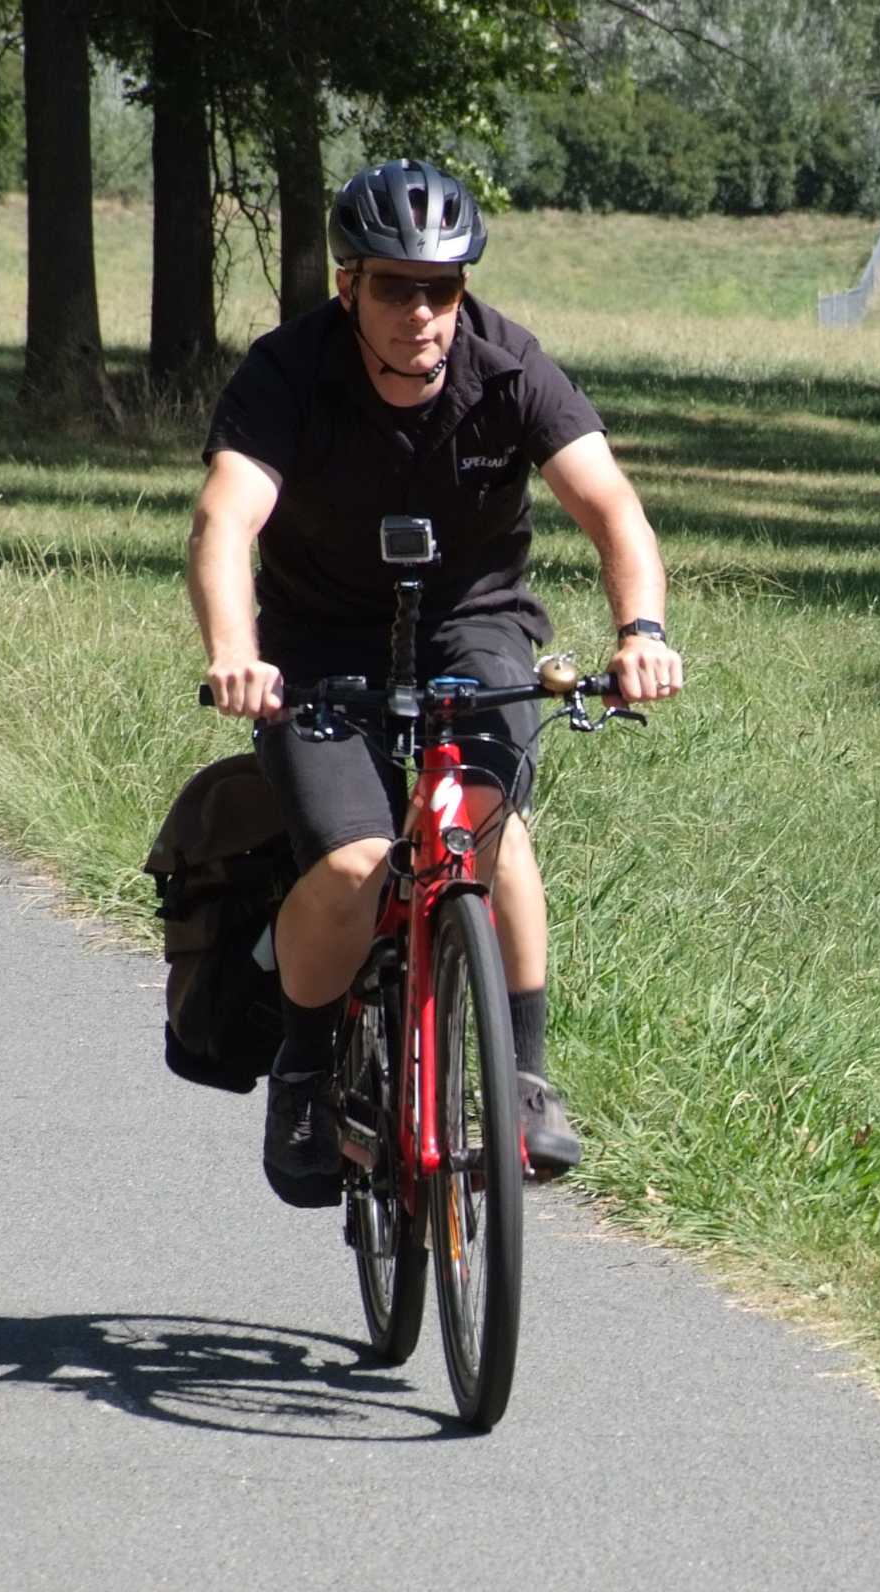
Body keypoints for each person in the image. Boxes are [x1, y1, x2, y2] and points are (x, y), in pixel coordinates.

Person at [189, 158, 682, 1205]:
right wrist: (238, 651)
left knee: (484, 820)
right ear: (348, 287)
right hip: (319, 642)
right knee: (361, 857)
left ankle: (525, 1075)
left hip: (476, 624)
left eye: (443, 288)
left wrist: (641, 628)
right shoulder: (287, 375)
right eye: (396, 287)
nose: (423, 312)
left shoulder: (508, 367)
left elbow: (612, 510)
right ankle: (310, 1074)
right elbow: (225, 520)